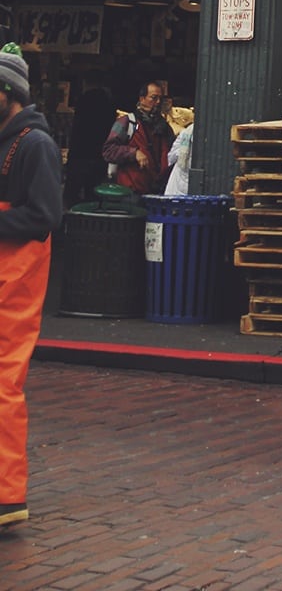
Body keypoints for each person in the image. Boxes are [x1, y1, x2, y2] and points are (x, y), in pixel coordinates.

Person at [0, 43, 64, 532]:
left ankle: (7, 496)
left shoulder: (35, 145)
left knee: (3, 384)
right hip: (7, 270)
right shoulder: (10, 139)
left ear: (8, 94)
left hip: (17, 277)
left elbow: (45, 216)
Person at [101, 81, 174, 195]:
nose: (158, 102)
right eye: (153, 98)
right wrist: (134, 153)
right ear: (142, 99)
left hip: (158, 191)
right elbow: (108, 151)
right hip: (130, 192)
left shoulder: (165, 128)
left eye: (161, 99)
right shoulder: (127, 122)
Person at [63, 72, 118, 208]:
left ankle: (67, 224)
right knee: (93, 197)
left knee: (71, 194)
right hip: (99, 155)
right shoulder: (109, 101)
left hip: (80, 154)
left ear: (86, 83)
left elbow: (77, 129)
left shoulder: (84, 100)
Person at [164, 121, 194, 196]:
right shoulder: (185, 134)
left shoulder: (185, 133)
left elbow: (170, 158)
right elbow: (171, 158)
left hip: (182, 183)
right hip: (177, 184)